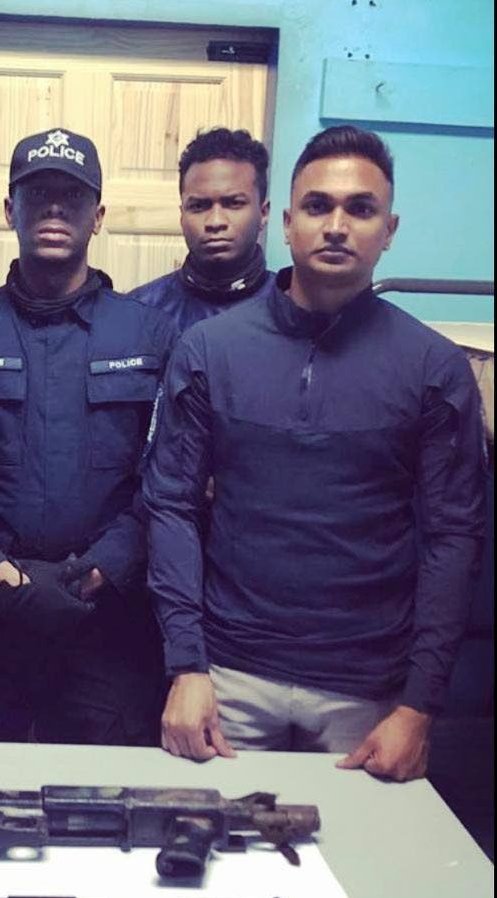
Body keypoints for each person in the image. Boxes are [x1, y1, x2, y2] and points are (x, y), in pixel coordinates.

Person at [142, 125, 486, 781]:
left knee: (358, 879)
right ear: (288, 220)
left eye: (361, 209)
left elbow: (455, 536)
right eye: (319, 206)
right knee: (215, 873)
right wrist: (185, 665)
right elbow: (169, 506)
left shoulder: (435, 369)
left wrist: (420, 706)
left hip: (367, 691)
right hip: (228, 677)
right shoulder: (211, 351)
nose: (337, 226)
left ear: (389, 228)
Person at [0, 128, 178, 745]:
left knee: (104, 806)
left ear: (97, 216)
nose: (53, 209)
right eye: (37, 193)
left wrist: (102, 569)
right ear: (8, 209)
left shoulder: (148, 336)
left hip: (106, 624)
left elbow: (168, 477)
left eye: (71, 197)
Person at [128, 127, 274, 331]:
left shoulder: (293, 309)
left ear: (263, 212)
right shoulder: (139, 311)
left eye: (233, 203)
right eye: (199, 206)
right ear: (182, 215)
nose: (215, 222)